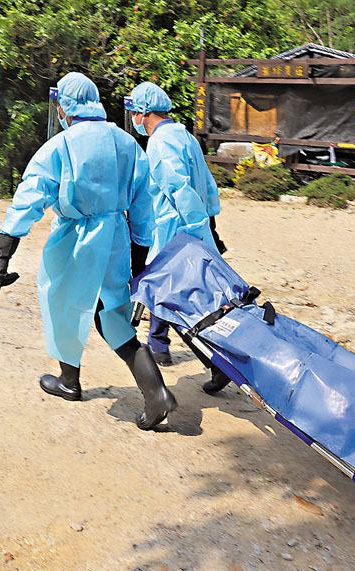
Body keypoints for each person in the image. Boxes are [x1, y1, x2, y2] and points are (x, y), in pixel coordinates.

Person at [0, 72, 177, 430]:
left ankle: (69, 381)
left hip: (74, 238)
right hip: (116, 237)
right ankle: (156, 392)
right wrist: (138, 260)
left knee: (60, 304)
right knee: (113, 314)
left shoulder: (60, 145)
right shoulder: (127, 144)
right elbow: (143, 208)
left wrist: (2, 254)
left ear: (66, 106)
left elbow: (30, 198)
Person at [127, 82, 232, 393]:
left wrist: (198, 227)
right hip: (193, 226)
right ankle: (158, 345)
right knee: (166, 293)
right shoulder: (184, 135)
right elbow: (207, 183)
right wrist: (208, 220)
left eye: (134, 111)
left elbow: (177, 188)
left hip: (176, 231)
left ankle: (216, 363)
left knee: (177, 299)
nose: (132, 116)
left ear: (143, 113)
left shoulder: (159, 144)